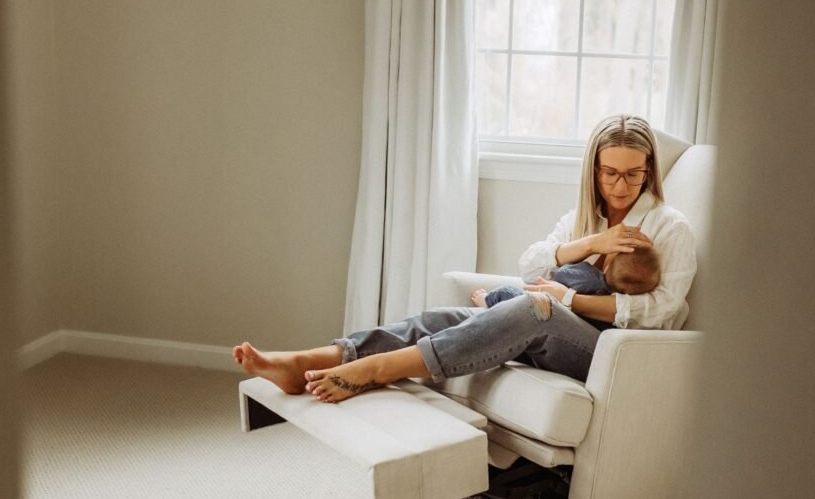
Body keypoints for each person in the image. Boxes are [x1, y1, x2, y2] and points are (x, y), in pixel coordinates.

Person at [232, 114, 697, 403]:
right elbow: (532, 264)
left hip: (611, 353)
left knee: (531, 307)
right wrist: (590, 243)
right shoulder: (582, 218)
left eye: (634, 174)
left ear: (650, 171)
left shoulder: (669, 226)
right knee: (451, 315)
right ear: (593, 171)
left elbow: (666, 312)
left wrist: (569, 301)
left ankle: (375, 369)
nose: (621, 185)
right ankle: (316, 358)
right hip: (560, 328)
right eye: (610, 173)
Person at [471, 246, 661, 334]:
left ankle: (487, 300)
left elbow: (561, 274)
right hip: (574, 327)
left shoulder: (589, 276)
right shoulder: (613, 307)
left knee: (510, 293)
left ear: (608, 266)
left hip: (550, 312)